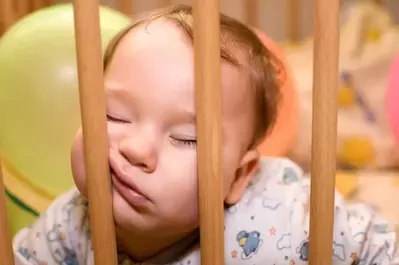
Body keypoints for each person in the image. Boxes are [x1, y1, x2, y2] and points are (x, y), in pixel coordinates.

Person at [13, 5, 398, 265]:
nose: (135, 149)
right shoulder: (68, 224)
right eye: (114, 115)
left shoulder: (289, 221)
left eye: (185, 137)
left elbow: (380, 249)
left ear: (239, 176)